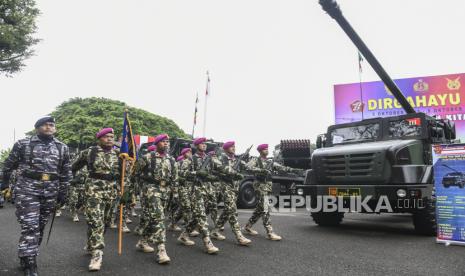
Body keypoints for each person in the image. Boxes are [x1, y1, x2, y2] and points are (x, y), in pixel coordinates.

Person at [1, 116, 72, 276]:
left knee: (39, 226)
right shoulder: (23, 144)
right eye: (45, 125)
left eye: (52, 125)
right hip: (27, 190)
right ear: (37, 128)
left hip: (50, 191)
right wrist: (5, 184)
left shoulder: (62, 147)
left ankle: (26, 254)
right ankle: (30, 263)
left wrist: (63, 192)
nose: (49, 127)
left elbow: (66, 172)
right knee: (30, 226)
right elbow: (8, 164)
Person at [72, 128, 125, 271]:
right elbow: (73, 167)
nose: (109, 139)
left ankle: (91, 243)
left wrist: (126, 193)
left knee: (106, 222)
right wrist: (70, 180)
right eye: (106, 136)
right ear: (99, 139)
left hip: (112, 192)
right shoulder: (89, 152)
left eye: (111, 136)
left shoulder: (119, 155)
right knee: (95, 221)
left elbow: (124, 176)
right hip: (93, 191)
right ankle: (97, 253)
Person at [133, 134, 177, 264]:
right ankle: (161, 250)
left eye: (168, 142)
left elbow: (175, 178)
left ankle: (142, 242)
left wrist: (174, 194)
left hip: (165, 192)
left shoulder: (171, 160)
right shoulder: (147, 157)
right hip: (151, 191)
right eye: (163, 142)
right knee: (159, 218)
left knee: (152, 219)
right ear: (157, 144)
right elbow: (134, 173)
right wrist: (141, 189)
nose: (166, 144)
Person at [244, 144, 301, 240]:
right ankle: (270, 232)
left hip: (267, 186)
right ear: (260, 151)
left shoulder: (270, 161)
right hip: (259, 185)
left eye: (267, 149)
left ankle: (248, 226)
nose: (267, 150)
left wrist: (295, 170)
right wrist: (262, 170)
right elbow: (247, 167)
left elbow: (282, 168)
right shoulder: (255, 160)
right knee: (266, 208)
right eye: (265, 149)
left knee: (259, 209)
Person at [176, 138, 219, 254]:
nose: (204, 145)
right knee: (201, 216)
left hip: (208, 191)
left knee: (197, 216)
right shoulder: (190, 159)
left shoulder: (209, 158)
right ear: (196, 146)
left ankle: (184, 235)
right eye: (201, 144)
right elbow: (180, 172)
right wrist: (195, 173)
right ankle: (208, 243)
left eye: (205, 144)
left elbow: (218, 168)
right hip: (196, 191)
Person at [211, 141, 256, 245]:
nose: (233, 148)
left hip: (234, 188)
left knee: (227, 211)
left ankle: (215, 231)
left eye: (234, 146)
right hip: (225, 187)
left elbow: (248, 167)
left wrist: (254, 163)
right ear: (226, 148)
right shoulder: (221, 158)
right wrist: (234, 172)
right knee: (232, 211)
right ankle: (239, 236)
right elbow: (220, 168)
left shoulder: (236, 159)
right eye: (231, 147)